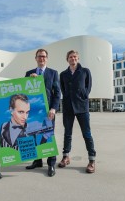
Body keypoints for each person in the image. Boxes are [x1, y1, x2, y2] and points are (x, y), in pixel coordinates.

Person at [58, 50, 96, 173]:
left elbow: (88, 87)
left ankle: (91, 160)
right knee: (67, 133)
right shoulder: (63, 74)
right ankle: (65, 157)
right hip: (68, 107)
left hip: (82, 107)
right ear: (67, 59)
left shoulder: (85, 71)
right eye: (70, 57)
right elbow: (63, 89)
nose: (73, 58)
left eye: (75, 57)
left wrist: (83, 95)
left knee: (87, 134)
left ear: (78, 58)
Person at [25, 48, 61, 177]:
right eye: (39, 56)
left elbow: (57, 93)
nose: (42, 58)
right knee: (35, 135)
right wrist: (31, 80)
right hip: (33, 111)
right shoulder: (29, 73)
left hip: (48, 112)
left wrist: (53, 108)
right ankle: (37, 160)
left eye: (44, 56)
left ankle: (51, 163)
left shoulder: (53, 73)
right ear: (36, 58)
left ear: (47, 58)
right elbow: (24, 92)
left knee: (48, 136)